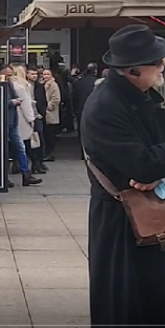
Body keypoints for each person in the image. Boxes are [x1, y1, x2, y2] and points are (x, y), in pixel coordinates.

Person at [81, 26, 165, 327]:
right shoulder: (106, 105)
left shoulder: (142, 94)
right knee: (126, 304)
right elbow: (142, 164)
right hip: (122, 220)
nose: (162, 67)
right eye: (157, 63)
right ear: (132, 70)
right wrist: (153, 168)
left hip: (148, 213)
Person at [6, 65, 42, 186]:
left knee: (17, 148)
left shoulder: (12, 85)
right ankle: (24, 173)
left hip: (14, 121)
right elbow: (26, 105)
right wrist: (32, 119)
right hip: (13, 121)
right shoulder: (21, 86)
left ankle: (24, 173)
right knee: (18, 148)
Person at [72, 62, 99, 159]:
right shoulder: (98, 83)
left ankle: (82, 152)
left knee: (81, 132)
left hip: (81, 109)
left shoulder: (79, 82)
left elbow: (74, 97)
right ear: (95, 71)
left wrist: (75, 110)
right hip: (94, 111)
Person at [27, 65, 49, 173]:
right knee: (28, 140)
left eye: (36, 74)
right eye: (32, 74)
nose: (34, 76)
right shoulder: (24, 86)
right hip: (27, 116)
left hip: (37, 116)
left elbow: (43, 101)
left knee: (39, 139)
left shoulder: (40, 87)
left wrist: (42, 113)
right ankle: (33, 161)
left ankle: (38, 162)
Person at [42, 67, 62, 161]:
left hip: (50, 113)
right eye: (44, 74)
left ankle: (49, 153)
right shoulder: (43, 84)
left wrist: (46, 107)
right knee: (46, 135)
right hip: (44, 114)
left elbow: (56, 99)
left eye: (48, 74)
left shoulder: (53, 85)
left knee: (50, 135)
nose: (46, 76)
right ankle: (46, 153)